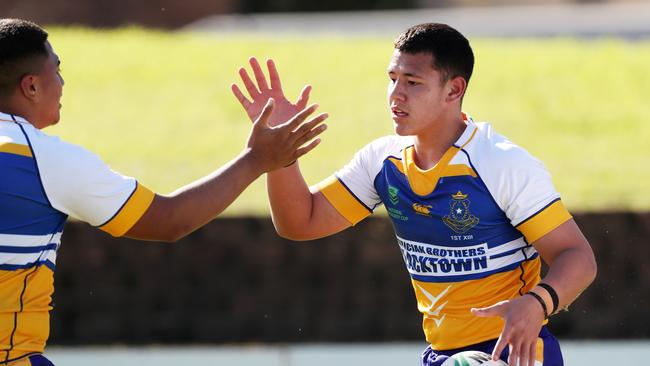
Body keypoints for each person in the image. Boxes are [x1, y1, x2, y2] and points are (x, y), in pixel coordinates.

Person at [232, 23, 597, 366]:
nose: (396, 94)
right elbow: (300, 221)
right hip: (440, 355)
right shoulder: (383, 161)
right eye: (392, 79)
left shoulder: (501, 163)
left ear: (453, 90)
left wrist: (536, 304)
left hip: (515, 352)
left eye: (413, 82)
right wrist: (280, 151)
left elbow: (577, 256)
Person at [0, 18, 327, 366]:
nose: (63, 82)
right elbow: (169, 220)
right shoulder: (45, 160)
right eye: (58, 70)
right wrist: (257, 159)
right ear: (31, 86)